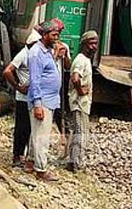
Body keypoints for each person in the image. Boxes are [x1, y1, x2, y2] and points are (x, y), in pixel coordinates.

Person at [25, 18, 63, 181]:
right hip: (43, 101)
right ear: (45, 35)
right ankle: (41, 170)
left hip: (50, 99)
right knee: (42, 137)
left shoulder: (47, 51)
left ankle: (30, 162)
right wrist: (38, 105)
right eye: (54, 35)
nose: (57, 38)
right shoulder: (36, 53)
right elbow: (35, 80)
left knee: (37, 133)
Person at [2, 29, 41, 166]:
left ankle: (27, 155)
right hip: (23, 98)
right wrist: (17, 86)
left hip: (34, 98)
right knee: (22, 128)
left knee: (31, 128)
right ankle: (17, 155)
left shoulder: (35, 55)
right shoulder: (24, 54)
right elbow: (7, 71)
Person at [67, 30, 98, 172]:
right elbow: (75, 78)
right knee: (82, 133)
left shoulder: (85, 60)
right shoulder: (80, 60)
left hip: (82, 103)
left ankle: (72, 162)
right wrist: (80, 90)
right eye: (91, 43)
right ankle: (77, 164)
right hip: (79, 103)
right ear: (84, 44)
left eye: (96, 43)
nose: (94, 47)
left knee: (78, 132)